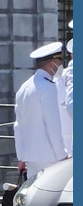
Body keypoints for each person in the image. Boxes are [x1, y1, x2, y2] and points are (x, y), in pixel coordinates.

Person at [13, 41, 68, 176]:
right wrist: (62, 155)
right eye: (59, 63)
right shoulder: (48, 87)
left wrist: (21, 157)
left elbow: (18, 126)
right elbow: (52, 125)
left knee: (34, 195)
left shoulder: (24, 87)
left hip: (30, 157)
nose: (60, 67)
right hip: (49, 156)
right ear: (51, 65)